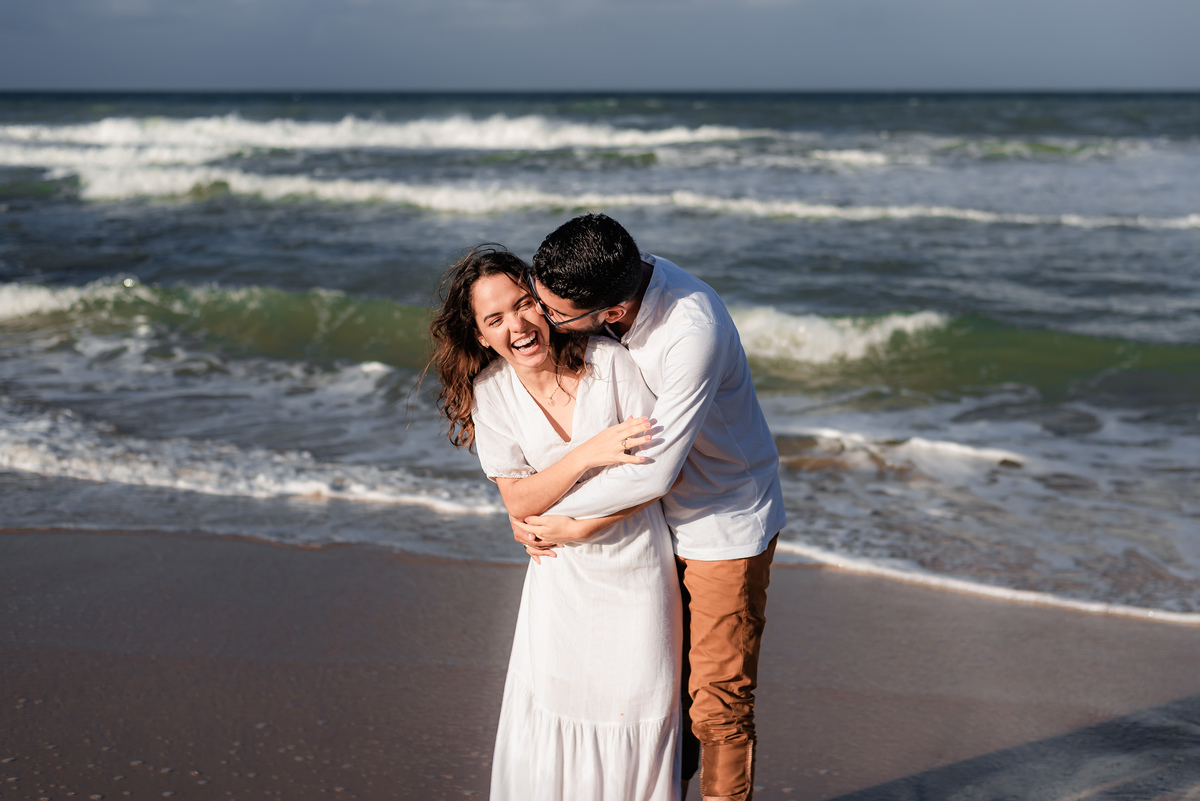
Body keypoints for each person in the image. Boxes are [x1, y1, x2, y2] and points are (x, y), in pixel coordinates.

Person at [512, 214, 785, 801]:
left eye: (553, 312)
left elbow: (659, 466)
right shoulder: (610, 283)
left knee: (717, 705)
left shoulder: (692, 331)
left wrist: (564, 516)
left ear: (609, 312)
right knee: (661, 698)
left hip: (722, 523)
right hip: (650, 524)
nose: (543, 317)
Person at [428, 245, 683, 801]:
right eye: (495, 319)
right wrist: (586, 455)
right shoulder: (491, 393)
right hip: (559, 580)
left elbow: (655, 474)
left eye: (524, 305)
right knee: (560, 706)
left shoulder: (611, 365)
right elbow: (518, 503)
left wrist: (580, 525)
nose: (517, 325)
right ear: (479, 335)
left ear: (544, 303)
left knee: (636, 708)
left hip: (637, 569)